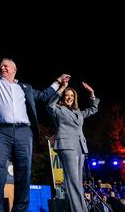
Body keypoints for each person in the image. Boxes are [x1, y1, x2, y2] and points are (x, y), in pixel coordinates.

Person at [0, 20, 69, 212]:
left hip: (24, 133)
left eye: (6, 66)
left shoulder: (24, 88)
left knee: (23, 173)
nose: (3, 68)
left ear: (15, 69)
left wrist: (57, 82)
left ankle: (20, 210)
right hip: (2, 132)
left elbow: (43, 96)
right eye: (1, 66)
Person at [47, 80, 100, 212]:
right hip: (66, 146)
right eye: (67, 95)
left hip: (80, 147)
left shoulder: (78, 112)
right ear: (64, 97)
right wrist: (62, 87)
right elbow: (50, 103)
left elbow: (93, 109)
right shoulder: (58, 110)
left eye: (72, 95)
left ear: (74, 98)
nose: (69, 97)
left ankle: (79, 209)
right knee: (73, 181)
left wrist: (92, 93)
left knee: (78, 182)